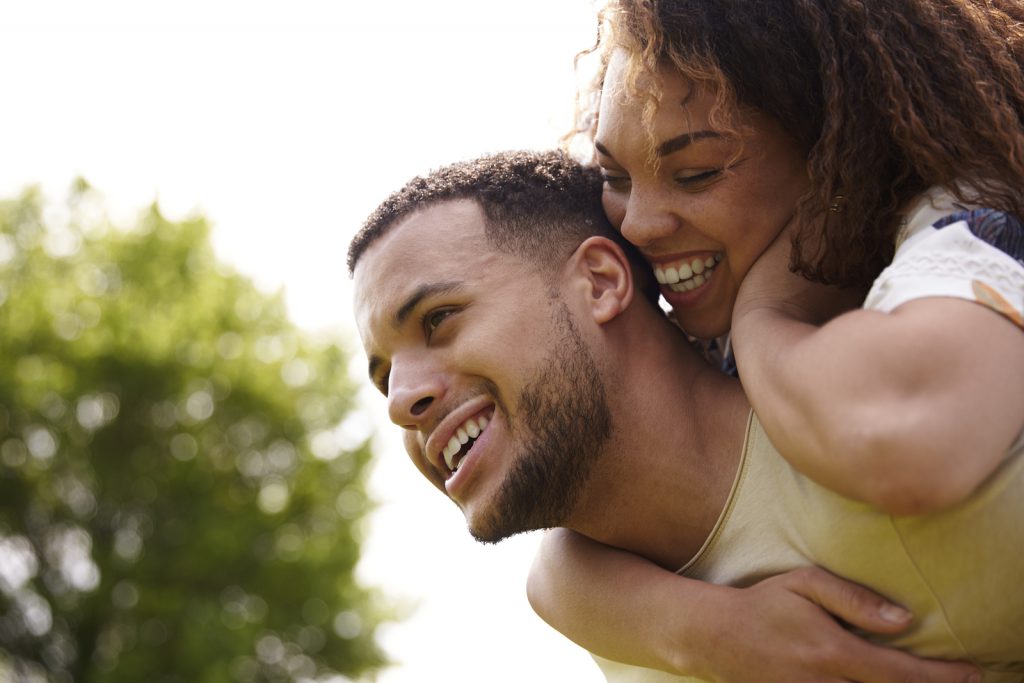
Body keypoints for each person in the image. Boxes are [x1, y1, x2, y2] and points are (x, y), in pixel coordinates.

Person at [347, 149, 1023, 682]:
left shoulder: (894, 375)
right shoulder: (625, 627)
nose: (402, 400)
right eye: (383, 378)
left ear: (602, 282)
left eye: (439, 318)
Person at [528, 1, 1024, 678]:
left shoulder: (976, 224)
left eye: (696, 171)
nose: (638, 224)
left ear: (836, 140)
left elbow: (910, 442)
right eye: (615, 177)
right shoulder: (702, 322)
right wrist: (707, 628)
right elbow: (559, 565)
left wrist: (767, 315)